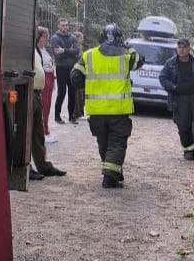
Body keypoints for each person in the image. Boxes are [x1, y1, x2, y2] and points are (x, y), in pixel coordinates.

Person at [70, 24, 144, 188]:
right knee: (116, 143)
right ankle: (110, 177)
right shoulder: (125, 55)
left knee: (104, 143)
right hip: (119, 110)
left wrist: (90, 84)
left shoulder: (89, 55)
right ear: (119, 39)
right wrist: (127, 47)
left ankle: (113, 172)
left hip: (96, 111)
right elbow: (140, 60)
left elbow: (75, 77)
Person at [159, 38, 194, 160]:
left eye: (184, 47)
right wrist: (173, 87)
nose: (182, 50)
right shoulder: (170, 64)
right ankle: (189, 151)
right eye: (180, 47)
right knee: (183, 127)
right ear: (177, 49)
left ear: (189, 48)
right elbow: (163, 78)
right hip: (180, 99)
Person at [30, 39, 67, 181]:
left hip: (36, 93)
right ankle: (24, 168)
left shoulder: (37, 50)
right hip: (27, 92)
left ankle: (44, 166)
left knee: (38, 134)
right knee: (25, 134)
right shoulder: (26, 46)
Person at [49, 17, 81, 125]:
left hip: (72, 68)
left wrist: (64, 50)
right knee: (61, 92)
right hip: (61, 68)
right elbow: (58, 55)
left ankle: (72, 116)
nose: (65, 27)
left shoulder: (72, 37)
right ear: (58, 26)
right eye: (63, 25)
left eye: (66, 25)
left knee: (72, 92)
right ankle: (57, 116)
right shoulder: (55, 38)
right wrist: (69, 51)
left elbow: (76, 51)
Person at [36, 26, 57, 144]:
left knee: (47, 106)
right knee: (43, 106)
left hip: (49, 79)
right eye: (45, 36)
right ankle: (43, 132)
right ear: (39, 37)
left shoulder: (44, 50)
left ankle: (46, 130)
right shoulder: (36, 51)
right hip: (43, 80)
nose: (47, 39)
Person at [73, 31, 86, 121]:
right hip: (78, 74)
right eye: (81, 38)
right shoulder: (75, 48)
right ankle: (77, 113)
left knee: (82, 95)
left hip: (82, 73)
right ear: (76, 39)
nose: (82, 40)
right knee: (78, 95)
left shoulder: (80, 48)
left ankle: (81, 112)